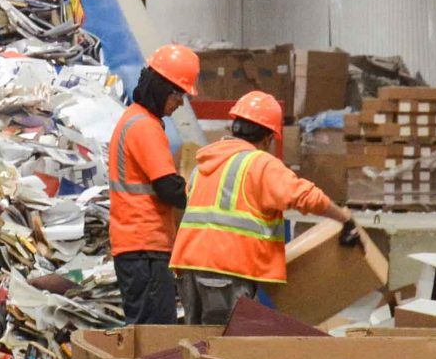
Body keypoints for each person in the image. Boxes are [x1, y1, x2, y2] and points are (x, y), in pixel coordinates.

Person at [168, 89, 362, 326]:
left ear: (234, 127)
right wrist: (344, 218)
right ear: (268, 138)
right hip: (225, 270)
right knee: (226, 349)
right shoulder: (259, 163)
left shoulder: (203, 165)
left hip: (188, 268)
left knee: (198, 344)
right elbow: (306, 196)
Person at [107, 44, 201, 325]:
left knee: (145, 333)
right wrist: (208, 200)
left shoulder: (134, 119)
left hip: (137, 246)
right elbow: (169, 188)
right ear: (162, 89)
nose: (180, 103)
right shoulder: (145, 127)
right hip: (144, 247)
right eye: (178, 95)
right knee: (154, 336)